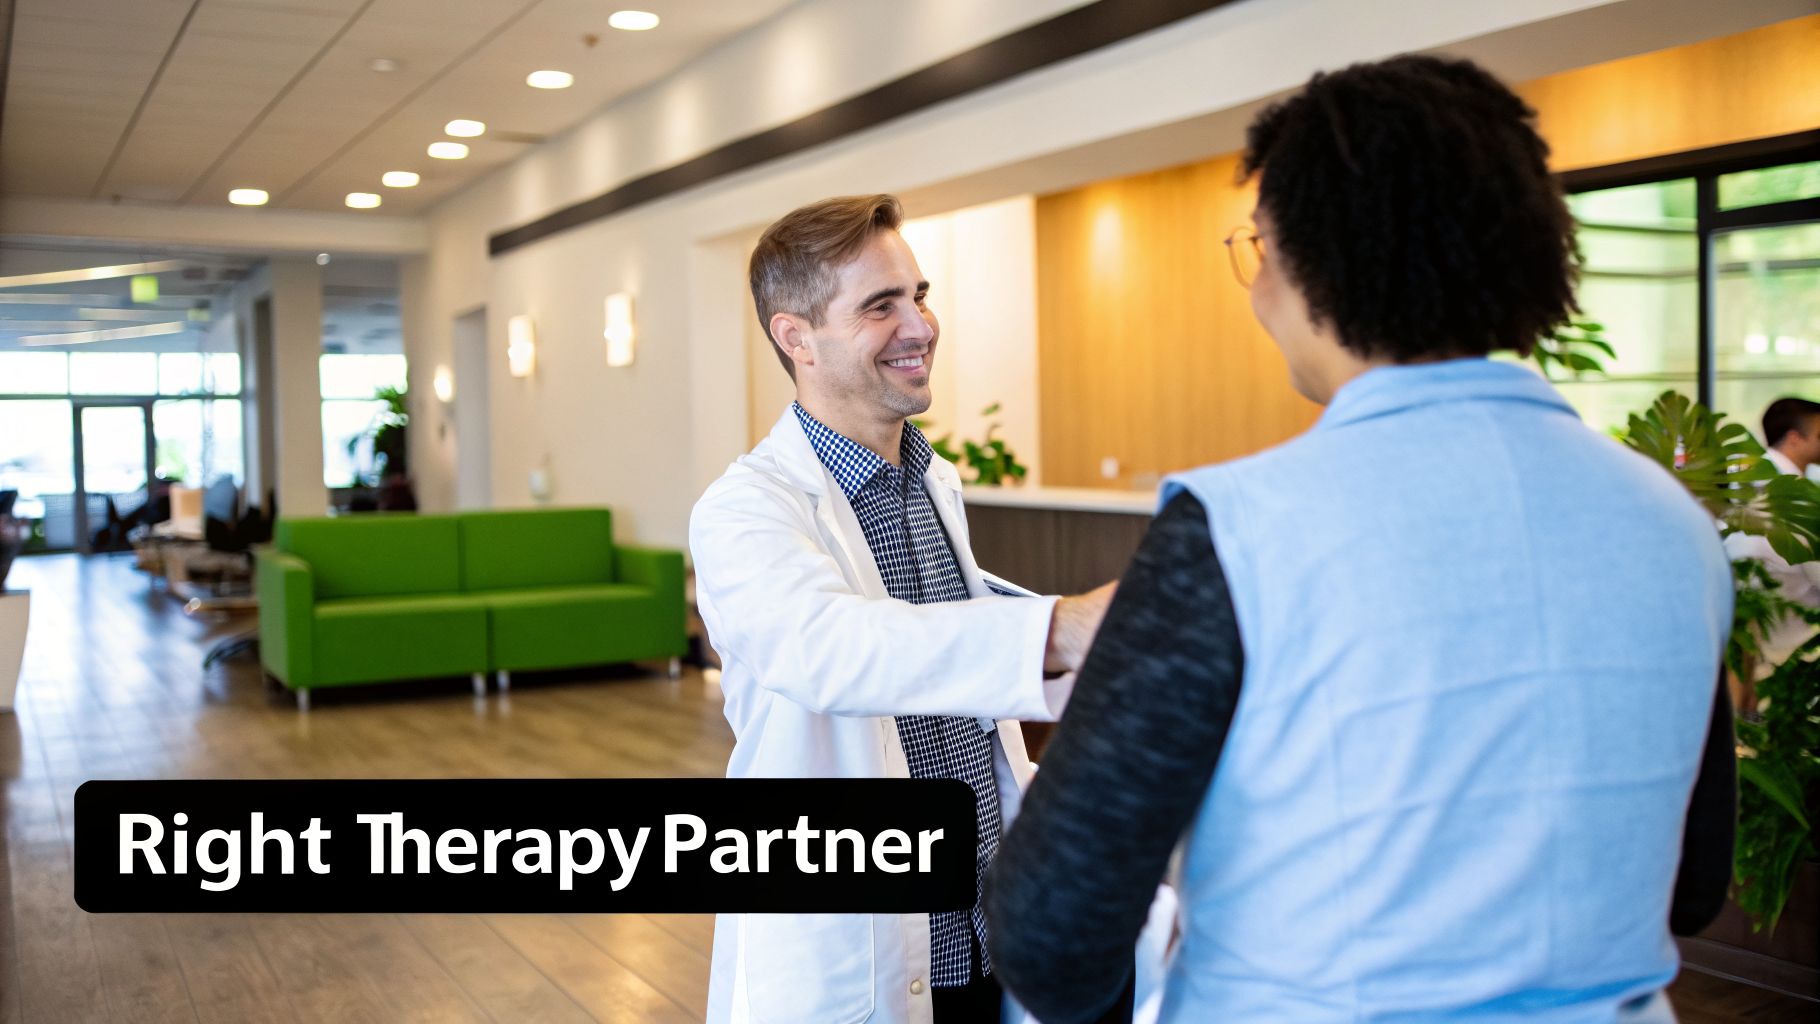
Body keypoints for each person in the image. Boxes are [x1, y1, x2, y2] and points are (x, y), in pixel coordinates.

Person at [984, 55, 1736, 1023]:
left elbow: (1050, 933)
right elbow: (1690, 885)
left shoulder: (1234, 528)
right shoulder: (1673, 524)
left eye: (1257, 247)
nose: (1256, 288)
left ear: (1311, 260)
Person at [691, 193, 1117, 1024]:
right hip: (856, 959)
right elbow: (835, 647)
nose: (920, 325)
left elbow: (948, 643)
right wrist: (1056, 630)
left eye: (918, 296)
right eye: (880, 306)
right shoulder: (744, 511)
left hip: (985, 938)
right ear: (796, 338)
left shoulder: (932, 481)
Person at [1725, 397, 1820, 666]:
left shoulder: (1748, 480)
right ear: (1794, 439)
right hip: (1794, 650)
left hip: (1758, 646)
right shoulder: (1794, 495)